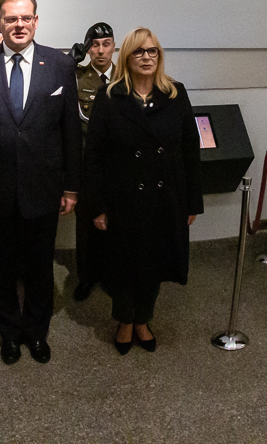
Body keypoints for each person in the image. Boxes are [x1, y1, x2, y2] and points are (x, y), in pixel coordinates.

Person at [0, 0, 81, 364]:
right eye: (11, 19)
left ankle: (36, 333)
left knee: (40, 267)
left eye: (26, 18)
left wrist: (71, 186)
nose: (19, 25)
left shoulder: (59, 65)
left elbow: (70, 131)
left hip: (43, 187)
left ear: (36, 21)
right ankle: (9, 333)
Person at [80, 28, 202, 353]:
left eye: (152, 51)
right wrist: (97, 206)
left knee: (154, 264)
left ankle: (143, 319)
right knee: (124, 264)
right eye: (139, 51)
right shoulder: (110, 96)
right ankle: (124, 320)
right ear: (127, 57)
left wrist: (192, 202)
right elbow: (93, 157)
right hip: (123, 198)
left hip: (165, 197)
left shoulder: (174, 93)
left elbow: (190, 150)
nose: (146, 57)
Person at [68, 22, 116, 302]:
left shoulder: (126, 77)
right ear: (88, 49)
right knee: (86, 226)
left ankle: (111, 275)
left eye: (106, 44)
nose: (100, 51)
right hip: (87, 166)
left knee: (116, 223)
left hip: (118, 166)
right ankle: (86, 277)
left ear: (114, 47)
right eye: (95, 45)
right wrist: (68, 63)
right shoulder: (76, 77)